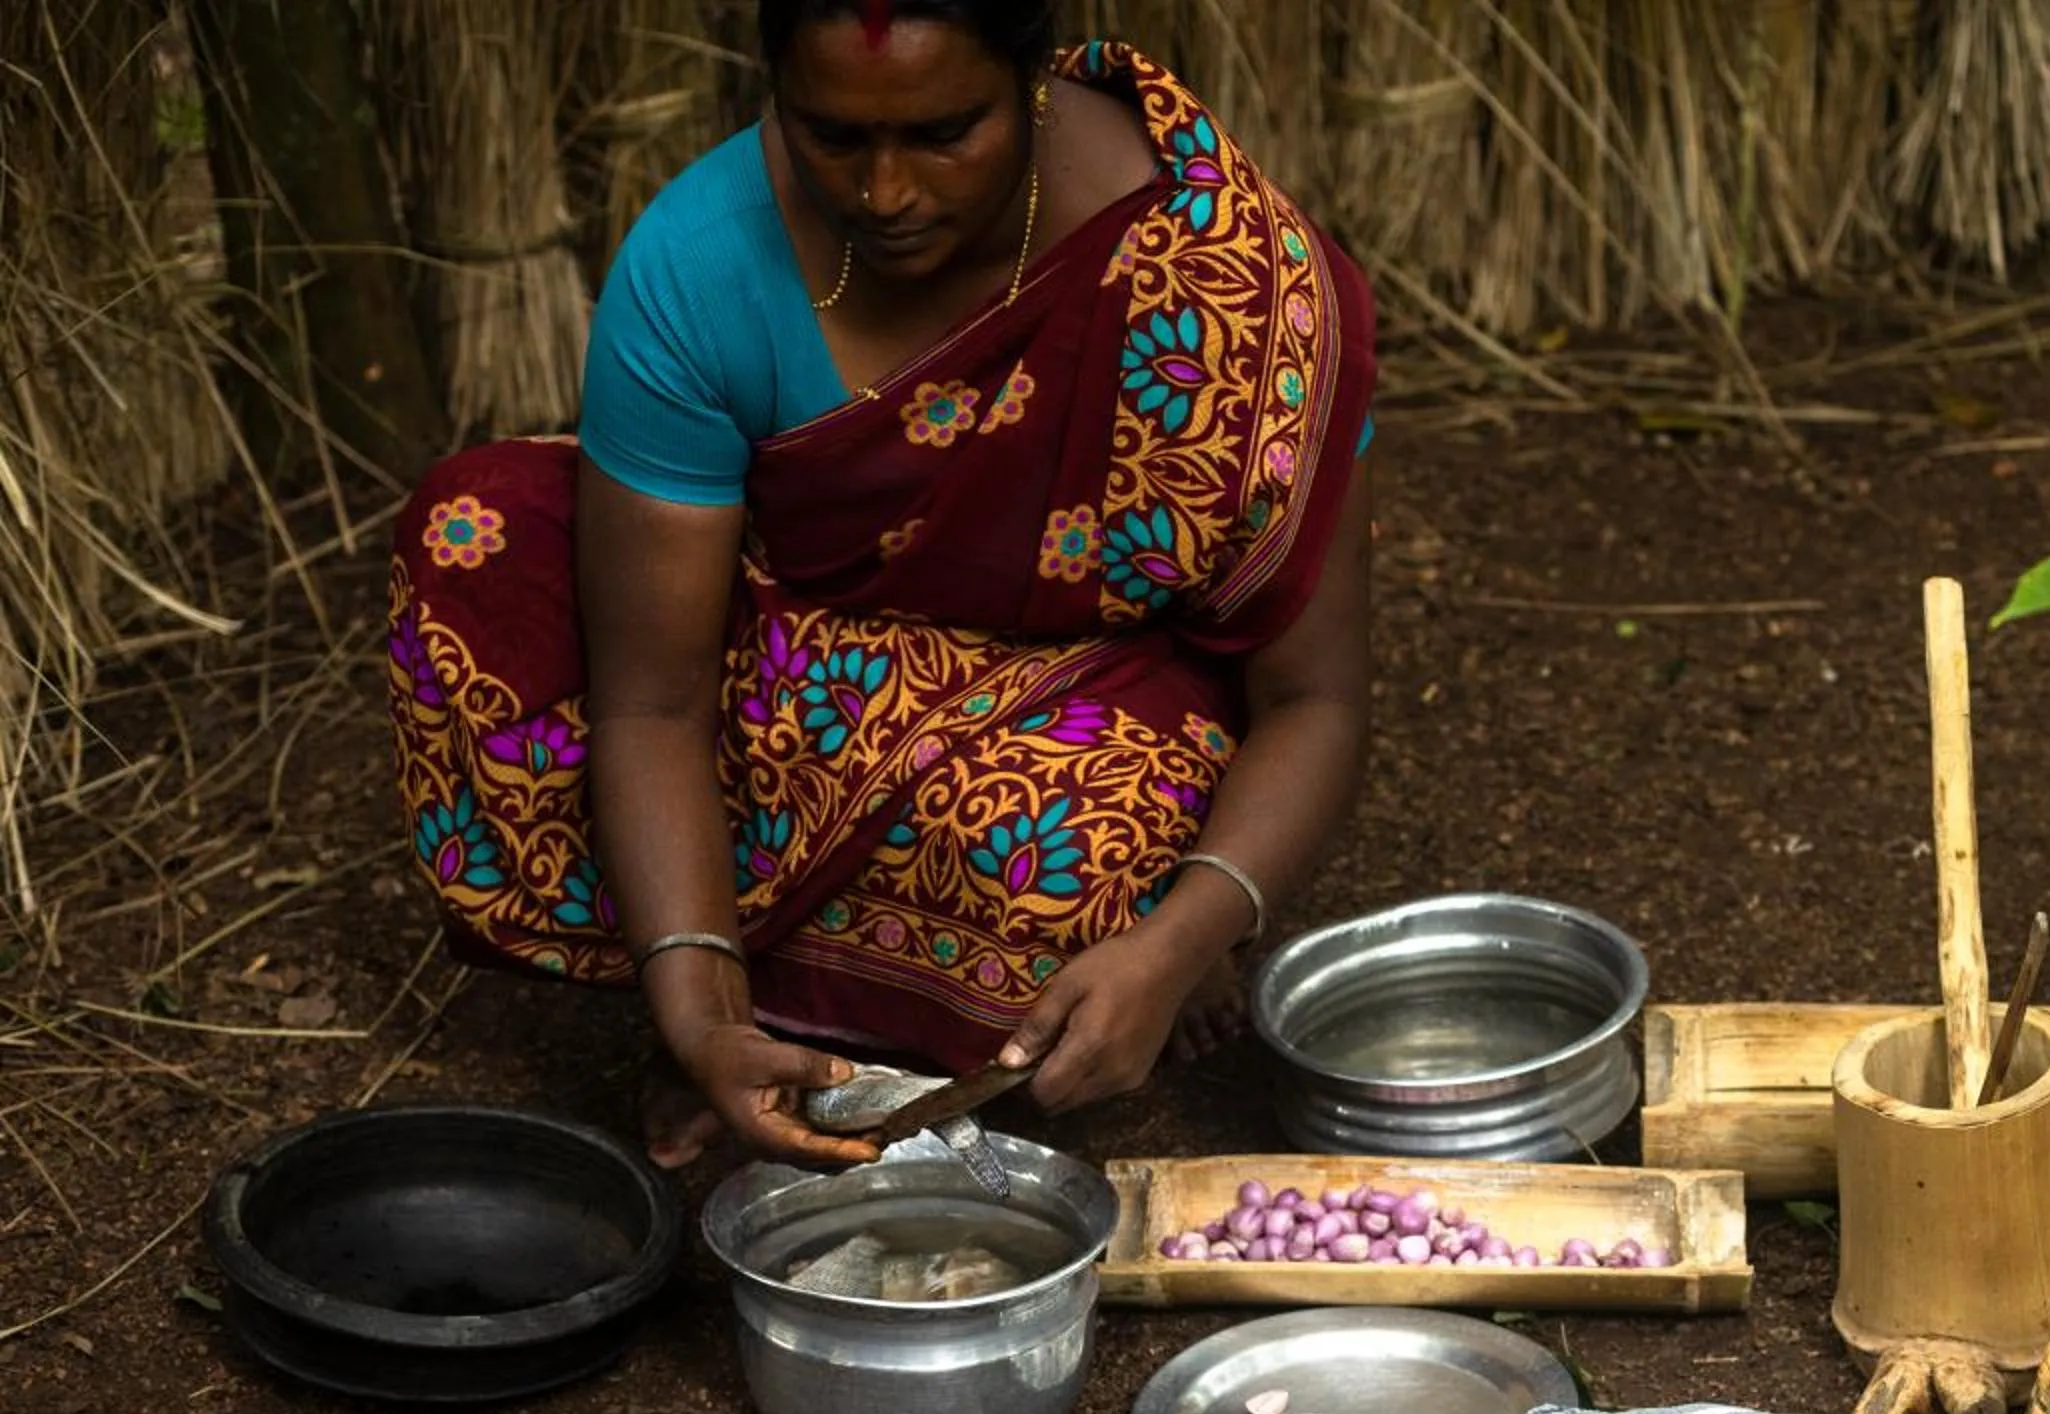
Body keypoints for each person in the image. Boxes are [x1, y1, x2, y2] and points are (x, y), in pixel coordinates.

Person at [384, 0, 1376, 1169]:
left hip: (1089, 696)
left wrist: (1178, 937)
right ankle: (746, 1018)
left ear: (1034, 82)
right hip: (804, 667)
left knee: (1068, 859)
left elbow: (1318, 700)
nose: (888, 193)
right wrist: (701, 1013)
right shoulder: (699, 260)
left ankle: (1115, 953)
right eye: (833, 137)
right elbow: (651, 700)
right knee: (476, 543)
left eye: (946, 133)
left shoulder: (1224, 272)